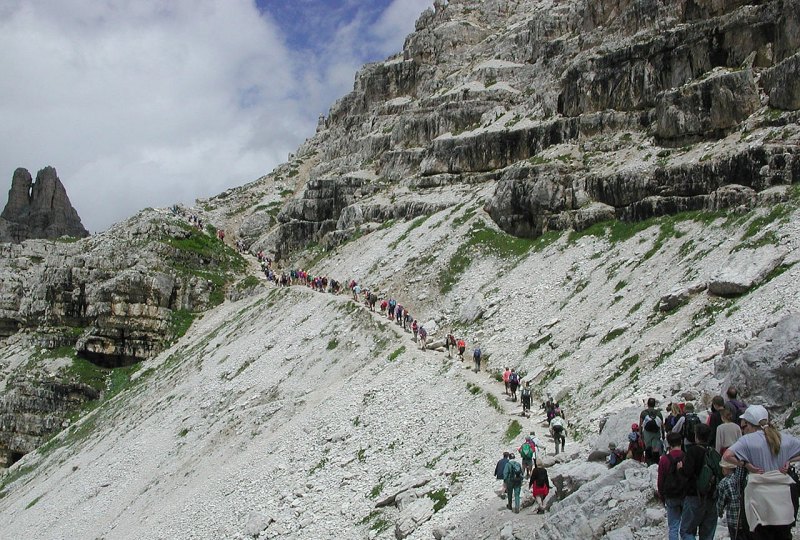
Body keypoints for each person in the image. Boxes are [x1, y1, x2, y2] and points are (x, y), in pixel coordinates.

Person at [723, 405, 800, 539]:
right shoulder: (783, 438)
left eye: (743, 426)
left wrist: (746, 464)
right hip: (783, 499)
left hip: (758, 499)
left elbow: (727, 455)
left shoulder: (747, 440)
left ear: (749, 424)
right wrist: (789, 460)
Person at [680, 423, 720, 540]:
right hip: (712, 497)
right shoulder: (713, 452)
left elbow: (687, 472)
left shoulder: (692, 451)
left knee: (686, 531)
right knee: (708, 534)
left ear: (696, 436)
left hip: (694, 496)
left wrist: (680, 468)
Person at [658, 432, 686, 540]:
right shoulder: (686, 456)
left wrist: (662, 496)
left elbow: (661, 480)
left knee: (673, 526)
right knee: (686, 527)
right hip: (684, 494)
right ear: (681, 442)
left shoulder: (664, 459)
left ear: (668, 444)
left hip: (670, 495)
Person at [716, 460, 750, 540]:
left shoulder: (724, 483)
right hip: (747, 519)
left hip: (733, 519)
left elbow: (721, 503)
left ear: (726, 469)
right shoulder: (742, 480)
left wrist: (719, 512)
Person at [641, 397, 665, 465]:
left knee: (648, 447)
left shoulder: (644, 413)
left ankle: (649, 463)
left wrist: (641, 435)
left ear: (647, 404)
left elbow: (641, 425)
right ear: (654, 404)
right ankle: (656, 463)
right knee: (655, 448)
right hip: (656, 432)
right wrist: (663, 435)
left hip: (647, 433)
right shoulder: (658, 413)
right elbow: (662, 425)